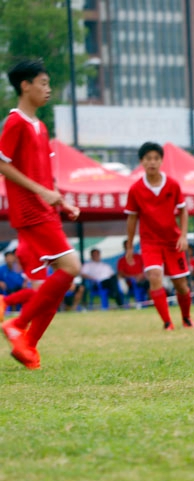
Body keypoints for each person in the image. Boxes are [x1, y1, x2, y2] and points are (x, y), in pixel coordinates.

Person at [0, 60, 82, 369]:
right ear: (25, 85)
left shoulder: (40, 126)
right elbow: (2, 163)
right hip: (30, 211)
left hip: (45, 209)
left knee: (55, 286)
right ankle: (17, 325)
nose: (48, 89)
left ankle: (28, 346)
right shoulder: (15, 123)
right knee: (71, 266)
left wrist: (61, 201)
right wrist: (42, 194)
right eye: (43, 83)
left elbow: (46, 177)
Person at [125, 142, 194, 330]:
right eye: (148, 159)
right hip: (150, 242)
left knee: (180, 285)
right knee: (155, 276)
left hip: (173, 241)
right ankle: (167, 322)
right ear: (141, 162)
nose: (152, 163)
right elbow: (132, 219)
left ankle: (186, 318)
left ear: (161, 161)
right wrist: (130, 246)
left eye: (156, 158)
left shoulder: (172, 184)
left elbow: (183, 211)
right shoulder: (135, 189)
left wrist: (183, 236)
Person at [116, 240, 148, 304]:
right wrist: (134, 277)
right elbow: (121, 273)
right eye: (127, 247)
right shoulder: (121, 260)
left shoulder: (139, 257)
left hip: (143, 279)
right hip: (131, 282)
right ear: (124, 248)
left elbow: (146, 267)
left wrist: (142, 275)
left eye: (130, 246)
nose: (129, 249)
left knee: (152, 283)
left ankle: (152, 301)